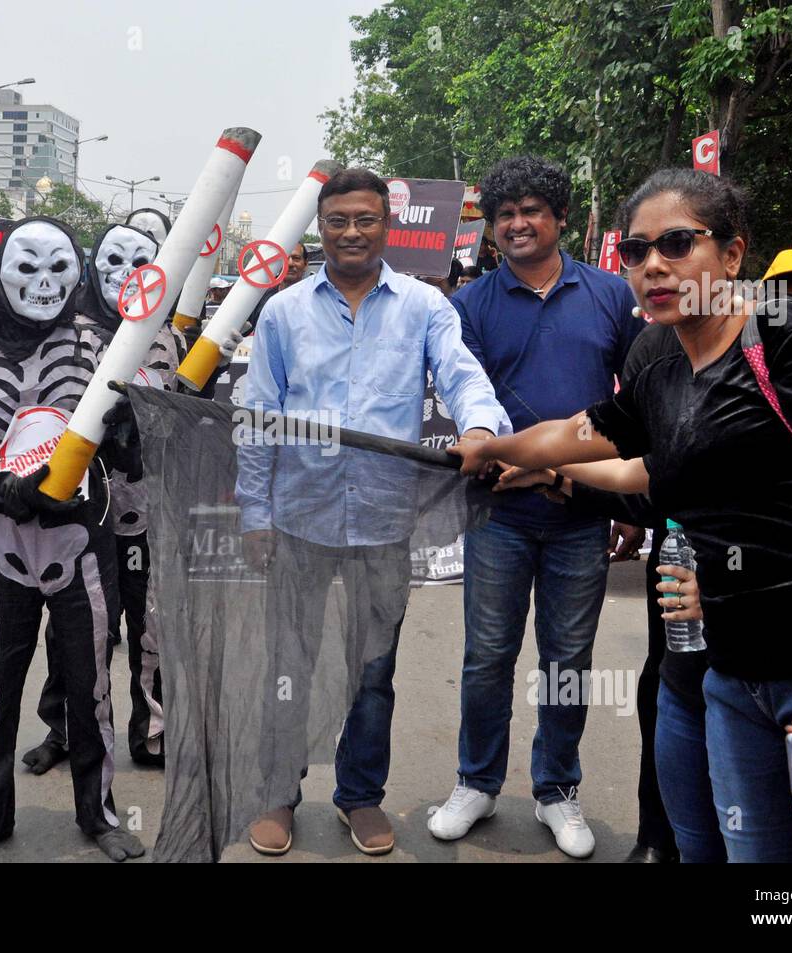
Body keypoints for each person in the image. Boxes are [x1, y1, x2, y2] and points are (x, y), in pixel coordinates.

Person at [450, 168, 792, 863]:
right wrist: (490, 447)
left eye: (678, 243)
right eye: (635, 250)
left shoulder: (786, 337)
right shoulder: (662, 364)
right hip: (732, 678)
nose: (653, 265)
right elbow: (580, 434)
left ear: (732, 257)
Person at [238, 168, 507, 856]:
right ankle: (276, 791)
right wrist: (254, 513)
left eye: (365, 219)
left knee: (372, 671)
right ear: (319, 227)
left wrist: (482, 427)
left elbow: (462, 374)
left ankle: (359, 795)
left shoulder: (424, 306)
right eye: (337, 220)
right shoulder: (284, 312)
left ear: (386, 226)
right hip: (298, 519)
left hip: (383, 524)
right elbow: (258, 418)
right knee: (289, 664)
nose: (351, 232)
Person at [429, 155, 643, 859]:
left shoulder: (611, 294)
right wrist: (510, 460)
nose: (517, 224)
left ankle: (557, 789)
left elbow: (637, 405)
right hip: (498, 513)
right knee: (487, 655)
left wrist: (599, 488)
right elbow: (467, 402)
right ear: (491, 228)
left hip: (581, 514)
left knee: (568, 657)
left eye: (531, 210)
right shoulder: (470, 306)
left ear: (557, 217)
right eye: (504, 215)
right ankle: (477, 781)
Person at [0, 216, 144, 863]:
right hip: (6, 547)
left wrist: (131, 421)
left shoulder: (103, 344)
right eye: (27, 265)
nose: (44, 280)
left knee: (92, 684)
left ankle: (99, 812)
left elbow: (128, 445)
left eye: (59, 266)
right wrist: (10, 492)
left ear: (78, 273)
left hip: (81, 544)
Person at [21, 221, 178, 774]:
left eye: (143, 261)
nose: (129, 274)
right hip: (85, 510)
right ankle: (63, 728)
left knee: (151, 622)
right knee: (79, 623)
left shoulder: (168, 337)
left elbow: (182, 415)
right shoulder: (67, 336)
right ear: (91, 268)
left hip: (150, 509)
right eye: (115, 260)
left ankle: (152, 731)